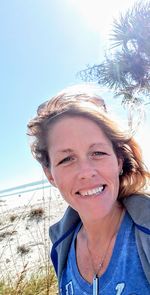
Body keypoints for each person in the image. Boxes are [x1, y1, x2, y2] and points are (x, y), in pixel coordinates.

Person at [27, 85, 150, 294]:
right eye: (67, 159)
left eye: (98, 153)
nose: (86, 172)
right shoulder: (62, 246)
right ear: (50, 174)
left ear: (119, 161)